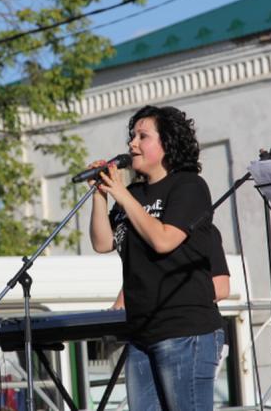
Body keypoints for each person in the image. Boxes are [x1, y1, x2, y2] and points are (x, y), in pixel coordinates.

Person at [89, 105, 224, 411]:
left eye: (142, 136)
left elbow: (164, 240)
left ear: (167, 143)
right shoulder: (134, 193)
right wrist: (101, 195)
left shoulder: (188, 186)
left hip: (184, 331)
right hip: (140, 333)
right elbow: (102, 242)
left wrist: (122, 195)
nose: (132, 144)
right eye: (131, 136)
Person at [112, 224, 231, 411]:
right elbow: (126, 298)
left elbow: (221, 287)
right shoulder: (145, 235)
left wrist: (166, 300)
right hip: (146, 334)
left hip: (189, 329)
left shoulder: (201, 230)